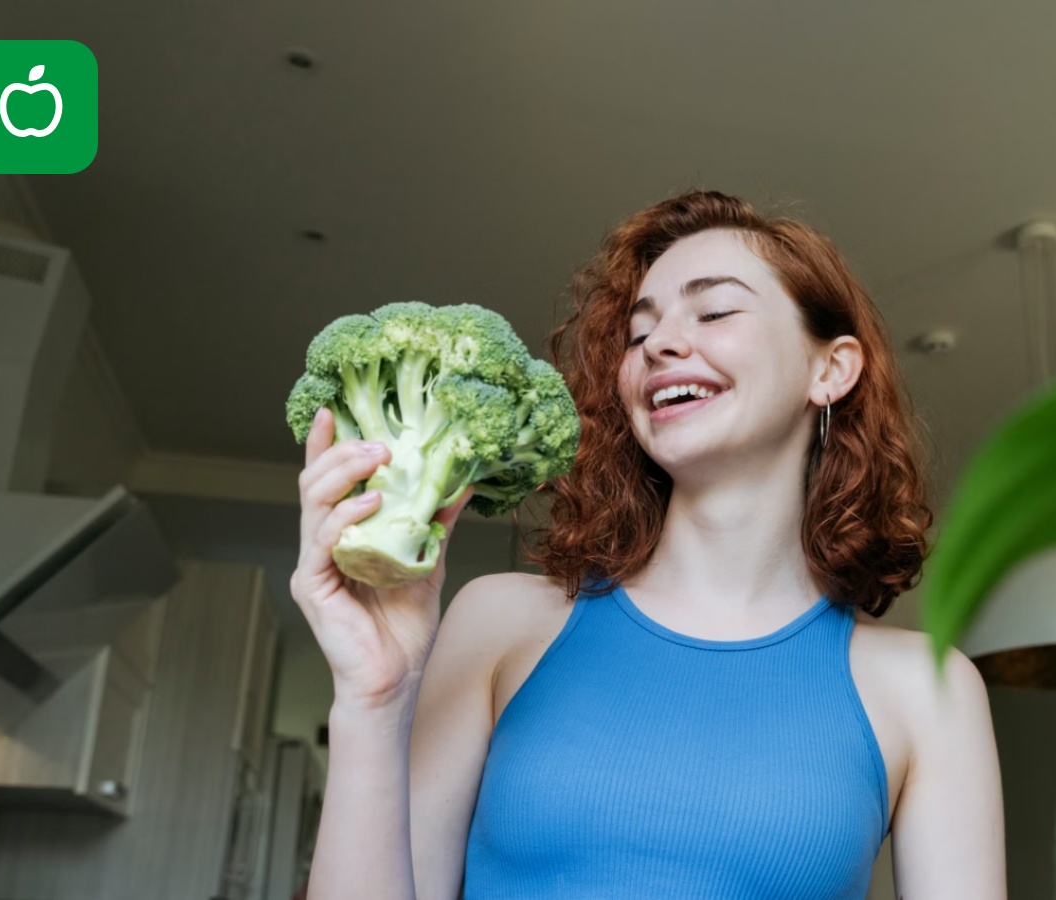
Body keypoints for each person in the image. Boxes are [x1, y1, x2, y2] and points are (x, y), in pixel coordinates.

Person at [290, 190, 1007, 900]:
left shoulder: (925, 691)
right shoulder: (501, 624)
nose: (659, 345)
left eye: (716, 310)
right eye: (639, 335)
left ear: (831, 369)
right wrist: (372, 702)